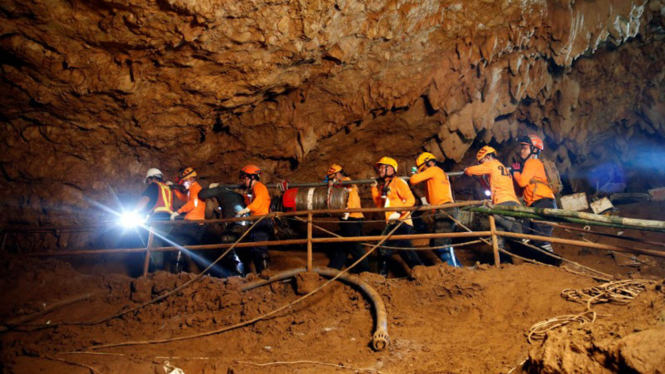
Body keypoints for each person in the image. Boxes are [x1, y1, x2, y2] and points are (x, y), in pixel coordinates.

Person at [464, 147, 523, 262]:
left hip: (502, 202)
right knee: (507, 235)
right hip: (513, 201)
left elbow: (470, 170)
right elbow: (491, 188)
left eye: (481, 162)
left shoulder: (491, 164)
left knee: (502, 231)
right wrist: (481, 180)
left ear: (487, 157)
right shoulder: (503, 168)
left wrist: (466, 170)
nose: (482, 164)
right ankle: (512, 261)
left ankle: (505, 259)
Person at [511, 135, 560, 265]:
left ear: (534, 150)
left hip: (543, 202)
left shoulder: (532, 163)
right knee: (525, 232)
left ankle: (553, 264)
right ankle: (533, 262)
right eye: (522, 148)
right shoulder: (530, 166)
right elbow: (520, 191)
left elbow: (521, 182)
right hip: (536, 204)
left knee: (540, 238)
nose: (522, 150)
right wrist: (515, 174)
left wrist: (515, 172)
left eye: (525, 148)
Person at [371, 157, 423, 276]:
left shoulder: (398, 182)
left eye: (382, 167)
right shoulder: (384, 186)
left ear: (390, 170)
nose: (379, 170)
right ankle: (421, 272)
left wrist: (399, 212)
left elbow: (411, 199)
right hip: (394, 221)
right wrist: (373, 188)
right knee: (405, 250)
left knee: (383, 246)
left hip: (401, 221)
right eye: (379, 167)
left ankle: (381, 277)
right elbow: (379, 205)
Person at [410, 152, 461, 267]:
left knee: (441, 242)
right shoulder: (438, 172)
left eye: (423, 168)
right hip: (445, 208)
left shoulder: (433, 170)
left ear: (429, 163)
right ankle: (457, 267)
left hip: (445, 208)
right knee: (436, 243)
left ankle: (454, 269)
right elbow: (429, 198)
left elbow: (413, 180)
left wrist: (414, 171)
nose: (423, 171)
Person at [325, 164, 370, 273]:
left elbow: (353, 203)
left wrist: (344, 211)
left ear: (339, 174)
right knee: (344, 246)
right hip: (350, 218)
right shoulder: (341, 184)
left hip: (352, 218)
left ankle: (366, 272)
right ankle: (333, 269)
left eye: (332, 177)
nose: (331, 180)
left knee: (355, 247)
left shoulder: (347, 182)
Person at [133, 168, 174, 270]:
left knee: (154, 244)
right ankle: (155, 270)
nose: (148, 183)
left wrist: (133, 212)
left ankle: (156, 271)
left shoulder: (154, 185)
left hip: (158, 220)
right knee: (156, 243)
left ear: (152, 178)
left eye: (148, 181)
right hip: (169, 221)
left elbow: (145, 200)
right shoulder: (167, 188)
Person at [168, 167, 205, 273]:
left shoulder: (194, 188)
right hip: (198, 223)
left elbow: (193, 203)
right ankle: (208, 273)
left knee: (178, 243)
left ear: (191, 179)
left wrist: (178, 212)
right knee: (196, 251)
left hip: (192, 222)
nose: (183, 183)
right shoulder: (194, 189)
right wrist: (174, 189)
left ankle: (175, 272)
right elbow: (185, 198)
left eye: (185, 181)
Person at [236, 164, 272, 273]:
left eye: (245, 178)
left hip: (262, 219)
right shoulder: (254, 189)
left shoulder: (259, 186)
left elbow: (259, 201)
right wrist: (246, 199)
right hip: (258, 220)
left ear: (252, 177)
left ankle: (264, 273)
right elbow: (255, 203)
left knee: (259, 248)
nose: (244, 181)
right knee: (254, 248)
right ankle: (259, 273)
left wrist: (247, 209)